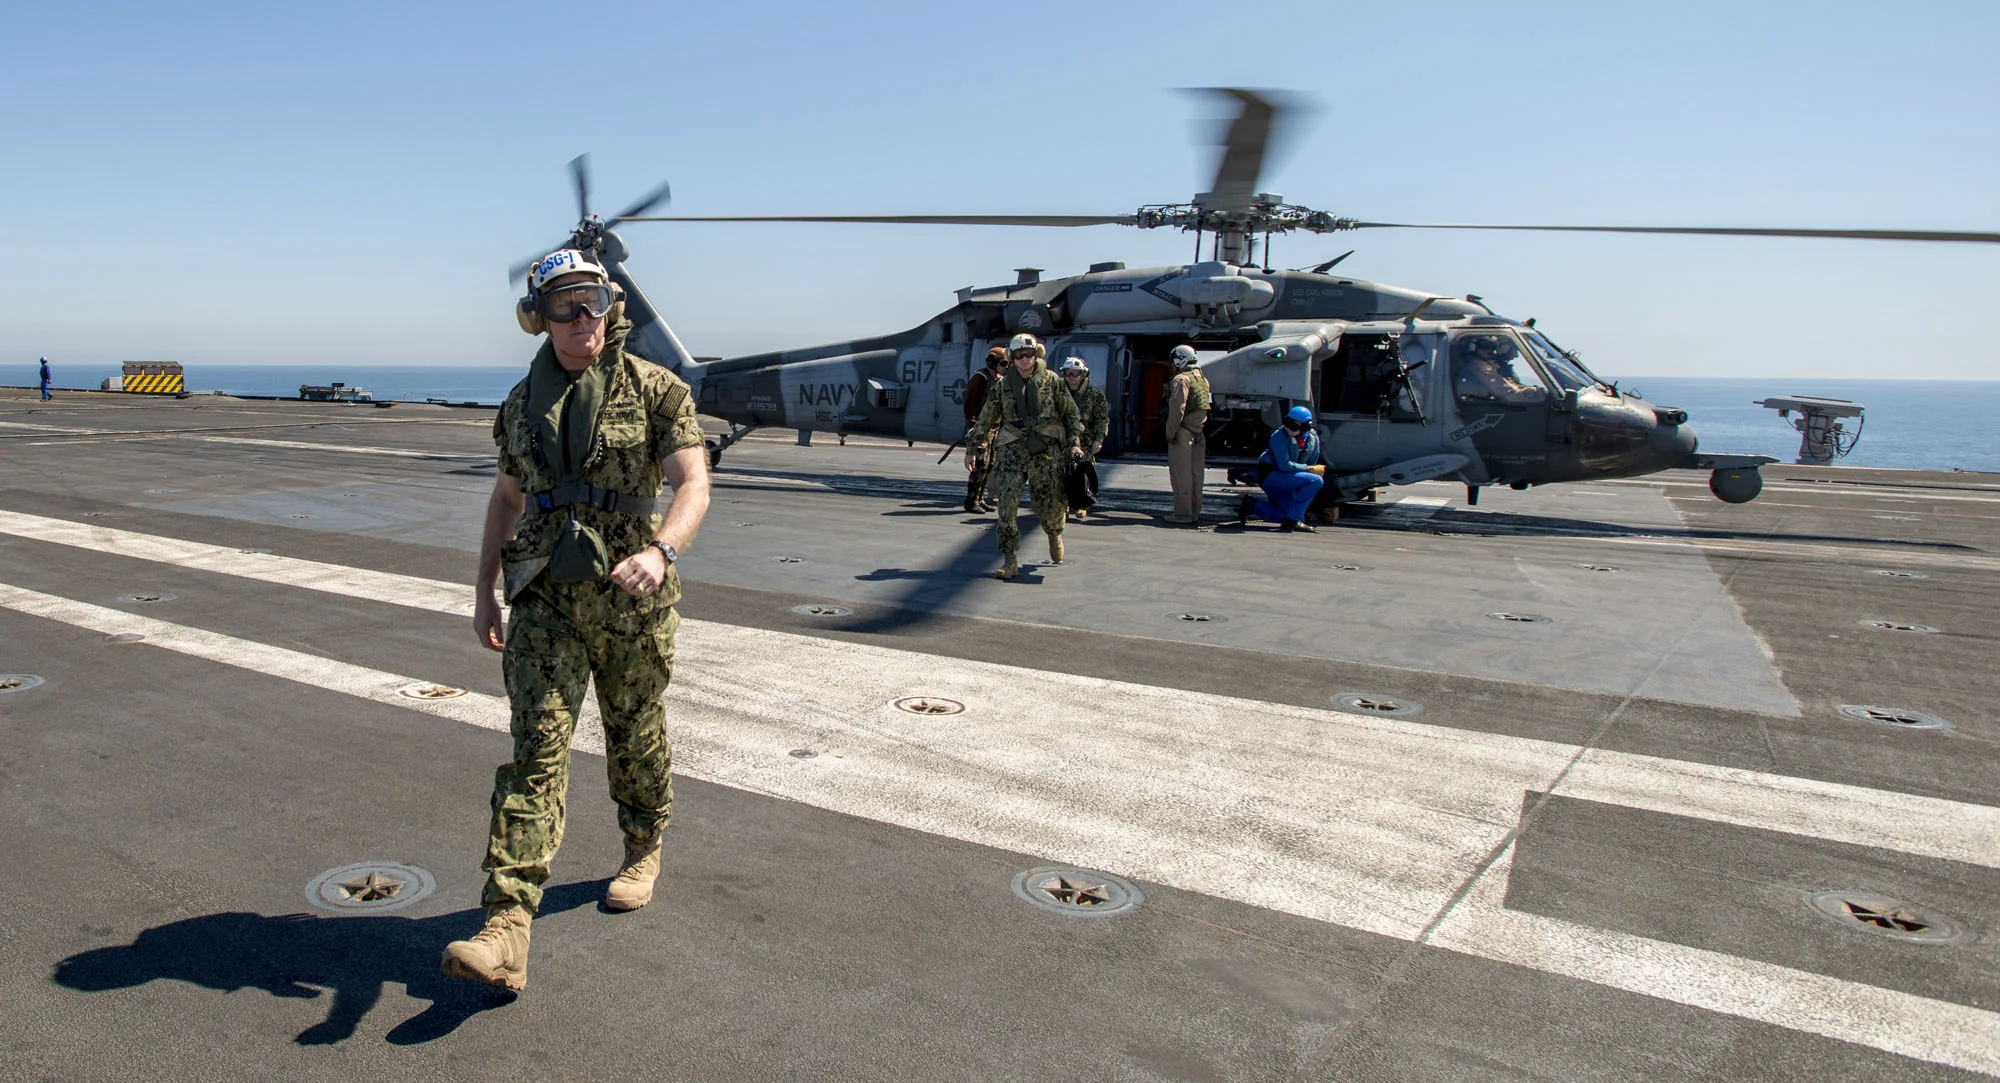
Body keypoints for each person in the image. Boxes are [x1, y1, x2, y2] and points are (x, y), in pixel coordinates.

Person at [442, 248, 712, 992]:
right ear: (539, 318)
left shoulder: (656, 388)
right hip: (546, 601)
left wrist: (662, 549)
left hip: (632, 598)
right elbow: (505, 498)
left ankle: (642, 843)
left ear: (610, 304)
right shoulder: (520, 404)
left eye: (590, 300)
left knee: (635, 733)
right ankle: (507, 925)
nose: (579, 318)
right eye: (562, 306)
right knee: (536, 750)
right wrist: (483, 590)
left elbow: (694, 481)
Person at [968, 333, 1082, 579]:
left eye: (1028, 354)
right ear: (1012, 357)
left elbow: (1071, 415)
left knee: (1050, 503)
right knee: (1006, 507)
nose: (1023, 360)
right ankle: (1010, 559)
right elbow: (987, 416)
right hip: (1012, 449)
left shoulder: (1052, 381)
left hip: (1046, 449)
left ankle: (1054, 532)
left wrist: (1074, 443)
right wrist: (973, 446)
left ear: (1036, 354)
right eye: (1018, 355)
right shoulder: (1002, 386)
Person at [1237, 406, 1327, 533]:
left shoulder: (1312, 439)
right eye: (1288, 423)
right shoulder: (1279, 436)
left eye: (1294, 425)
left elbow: (1310, 464)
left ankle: (1253, 505)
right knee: (1315, 480)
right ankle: (1292, 520)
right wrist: (1309, 469)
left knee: (1289, 515)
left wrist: (1309, 470)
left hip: (1290, 478)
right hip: (1272, 476)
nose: (1289, 428)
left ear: (1305, 426)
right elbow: (1284, 465)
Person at [1163, 344, 1211, 524]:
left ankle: (1182, 514)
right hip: (1199, 433)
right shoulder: (1202, 379)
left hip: (1183, 433)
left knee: (1180, 475)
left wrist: (1170, 433)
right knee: (1196, 475)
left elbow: (1177, 409)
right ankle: (1194, 511)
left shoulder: (1181, 379)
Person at [1057, 356, 1107, 519]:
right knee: (1060, 473)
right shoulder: (1058, 393)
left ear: (1083, 375)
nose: (1071, 377)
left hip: (1085, 440)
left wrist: (1099, 439)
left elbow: (1102, 419)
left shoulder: (1095, 394)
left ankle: (1082, 504)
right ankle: (1063, 504)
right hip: (1062, 439)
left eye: (1075, 374)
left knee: (1083, 474)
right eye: (1068, 373)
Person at [961, 346, 1006, 512]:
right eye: (1003, 363)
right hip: (981, 429)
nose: (1006, 367)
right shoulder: (980, 378)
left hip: (994, 430)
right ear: (993, 363)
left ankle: (979, 499)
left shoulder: (999, 379)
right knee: (979, 465)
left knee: (989, 465)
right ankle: (971, 500)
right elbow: (970, 405)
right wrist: (974, 428)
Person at [1455, 334, 1545, 403]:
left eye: (1492, 345)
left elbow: (1511, 387)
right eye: (1484, 345)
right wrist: (1540, 393)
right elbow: (1509, 394)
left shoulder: (1487, 365)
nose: (1489, 350)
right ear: (1472, 346)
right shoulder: (1478, 366)